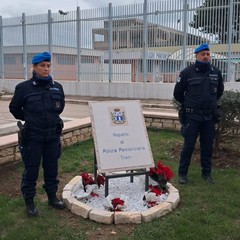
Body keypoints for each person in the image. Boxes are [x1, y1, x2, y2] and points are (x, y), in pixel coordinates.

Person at [9, 52, 66, 217]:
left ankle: (52, 197)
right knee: (31, 170)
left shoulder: (57, 87)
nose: (46, 69)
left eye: (48, 65)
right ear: (34, 67)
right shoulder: (23, 88)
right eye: (42, 66)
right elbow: (14, 109)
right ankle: (29, 202)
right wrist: (28, 118)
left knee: (51, 168)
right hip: (32, 137)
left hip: (52, 136)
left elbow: (59, 107)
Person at [173, 43, 224, 185]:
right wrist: (190, 104)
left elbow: (219, 92)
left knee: (207, 146)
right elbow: (177, 94)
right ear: (196, 56)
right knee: (188, 146)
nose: (206, 57)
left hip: (209, 117)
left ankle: (206, 174)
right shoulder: (187, 73)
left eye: (208, 54)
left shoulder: (216, 72)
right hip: (192, 117)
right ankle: (182, 174)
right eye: (203, 54)